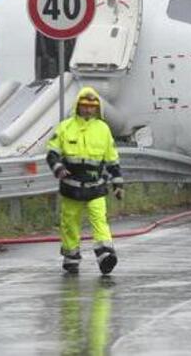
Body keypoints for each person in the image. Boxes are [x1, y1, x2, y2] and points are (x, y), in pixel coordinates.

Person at [47, 87, 124, 275]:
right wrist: (58, 168)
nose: (88, 110)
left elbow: (112, 159)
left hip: (95, 186)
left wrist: (118, 184)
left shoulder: (103, 129)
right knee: (70, 223)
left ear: (97, 108)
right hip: (71, 187)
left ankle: (105, 255)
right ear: (77, 106)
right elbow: (52, 153)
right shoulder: (65, 127)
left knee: (99, 221)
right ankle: (71, 256)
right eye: (84, 106)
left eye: (92, 106)